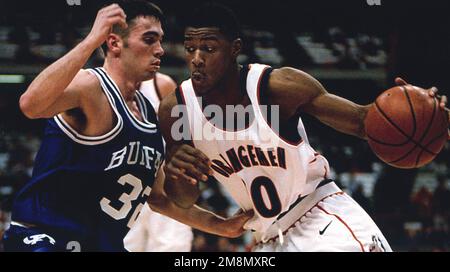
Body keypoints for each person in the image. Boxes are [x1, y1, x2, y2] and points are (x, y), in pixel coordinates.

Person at [159, 3, 449, 252]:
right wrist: (178, 172)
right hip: (266, 238)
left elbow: (364, 121)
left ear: (234, 49)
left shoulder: (277, 88)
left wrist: (418, 109)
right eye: (190, 48)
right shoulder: (176, 110)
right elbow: (182, 198)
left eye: (208, 48)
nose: (196, 59)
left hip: (321, 218)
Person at [2, 1, 251, 252]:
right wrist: (90, 41)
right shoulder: (91, 87)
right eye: (149, 40)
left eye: (160, 40)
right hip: (45, 238)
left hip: (100, 244)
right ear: (114, 43)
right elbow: (30, 105)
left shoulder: (148, 112)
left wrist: (222, 226)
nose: (160, 50)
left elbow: (159, 198)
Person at [124, 73, 194, 252]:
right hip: (123, 186)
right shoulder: (102, 87)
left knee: (172, 246)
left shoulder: (161, 85)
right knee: (126, 246)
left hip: (163, 179)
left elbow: (182, 141)